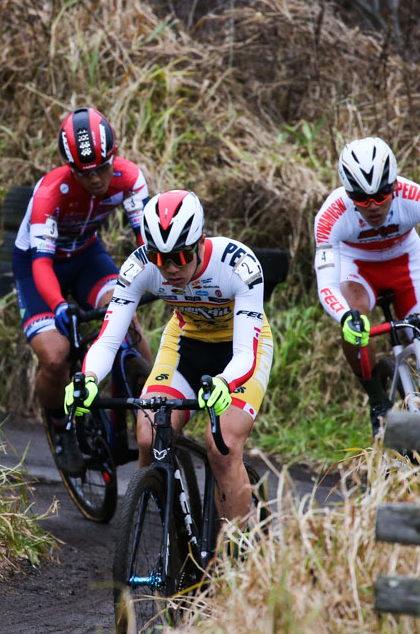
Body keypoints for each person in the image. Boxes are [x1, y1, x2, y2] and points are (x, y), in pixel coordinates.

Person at [66, 190, 274, 527]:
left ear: (201, 243)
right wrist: (88, 379)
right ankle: (174, 539)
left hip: (240, 350)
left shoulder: (239, 264)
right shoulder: (139, 267)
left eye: (180, 256)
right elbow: (109, 339)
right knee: (148, 433)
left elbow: (244, 355)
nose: (171, 268)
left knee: (222, 447)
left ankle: (237, 566)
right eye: (161, 258)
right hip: (185, 345)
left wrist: (225, 382)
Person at [312, 136, 420, 436]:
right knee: (354, 325)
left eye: (381, 196)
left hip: (405, 264)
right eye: (361, 199)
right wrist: (345, 316)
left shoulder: (415, 196)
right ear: (347, 192)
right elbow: (327, 282)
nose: (372, 207)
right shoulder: (331, 216)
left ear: (394, 185)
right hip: (357, 269)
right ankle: (377, 397)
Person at [12, 106, 152, 475]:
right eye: (85, 173)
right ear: (70, 168)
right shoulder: (49, 194)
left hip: (87, 255)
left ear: (115, 155)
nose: (97, 179)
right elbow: (42, 263)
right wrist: (58, 305)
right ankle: (60, 427)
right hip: (39, 265)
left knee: (131, 328)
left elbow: (146, 241)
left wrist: (155, 279)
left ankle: (141, 414)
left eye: (104, 167)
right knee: (56, 356)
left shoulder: (130, 178)